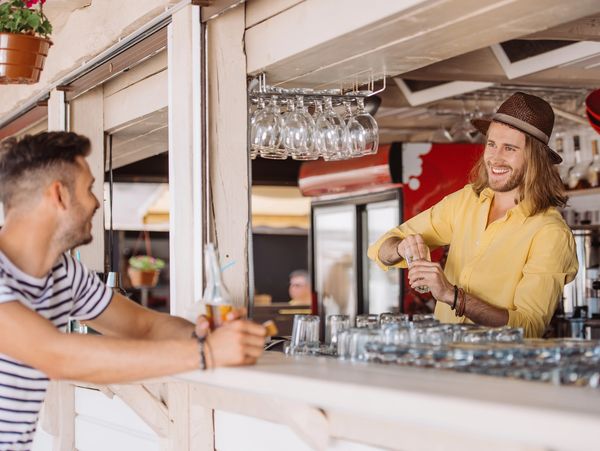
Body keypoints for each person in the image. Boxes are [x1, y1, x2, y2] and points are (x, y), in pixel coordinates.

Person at [0, 132, 266, 450]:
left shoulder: (63, 273)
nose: (96, 202)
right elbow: (56, 356)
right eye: (89, 189)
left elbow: (144, 326)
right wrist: (205, 353)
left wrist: (203, 336)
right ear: (59, 195)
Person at [368, 92, 578, 338]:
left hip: (496, 362)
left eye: (509, 148)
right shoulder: (467, 201)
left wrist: (451, 295)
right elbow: (380, 248)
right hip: (444, 356)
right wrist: (401, 248)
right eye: (492, 144)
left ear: (535, 159)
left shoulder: (550, 233)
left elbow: (528, 328)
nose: (495, 158)